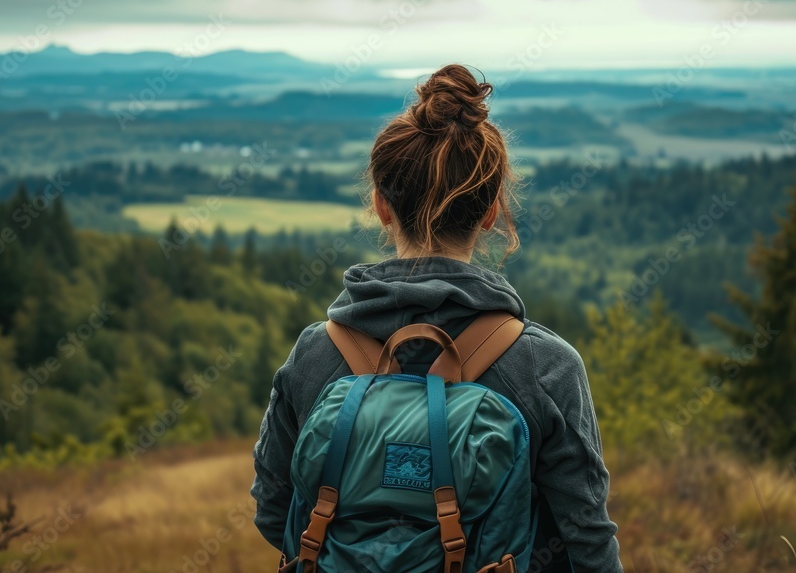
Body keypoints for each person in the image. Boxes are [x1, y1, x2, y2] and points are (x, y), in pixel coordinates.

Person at [251, 64, 622, 572]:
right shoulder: (546, 365)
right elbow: (587, 540)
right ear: (491, 213)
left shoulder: (316, 354)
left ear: (381, 206)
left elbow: (275, 513)